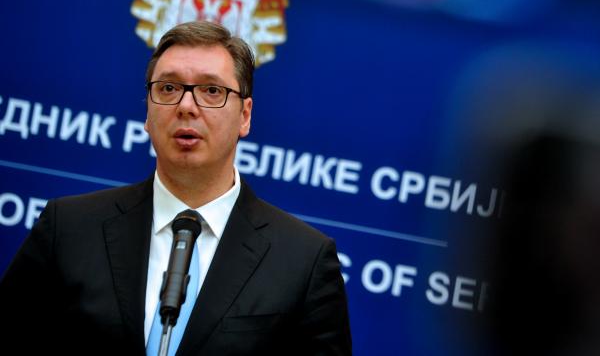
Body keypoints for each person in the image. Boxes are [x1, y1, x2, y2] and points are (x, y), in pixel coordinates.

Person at [0, 21, 352, 355]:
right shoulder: (69, 228)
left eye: (211, 91)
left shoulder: (303, 261)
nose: (186, 106)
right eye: (168, 88)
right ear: (147, 111)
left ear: (245, 115)